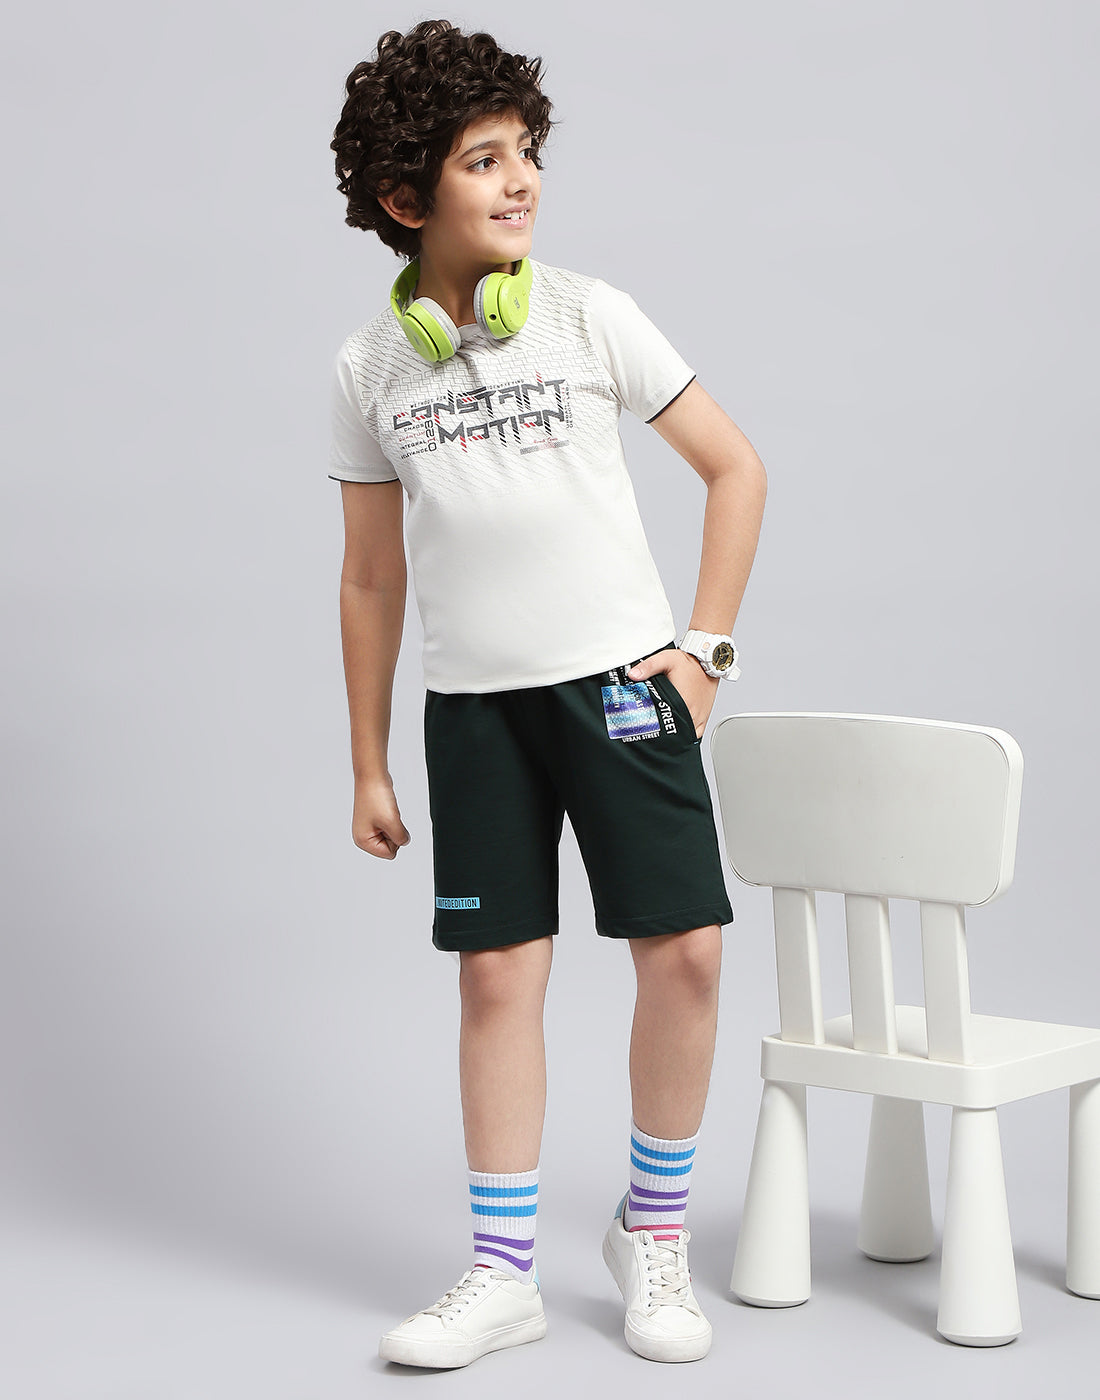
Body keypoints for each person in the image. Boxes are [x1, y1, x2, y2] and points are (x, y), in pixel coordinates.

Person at [328, 18, 767, 1370]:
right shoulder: (368, 369)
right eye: (483, 160)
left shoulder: (587, 314)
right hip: (476, 714)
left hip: (622, 695)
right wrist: (368, 762)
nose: (520, 179)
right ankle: (502, 1273)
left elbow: (736, 468)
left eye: (526, 151)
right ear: (407, 199)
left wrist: (705, 652)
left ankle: (654, 1232)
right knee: (496, 981)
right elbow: (370, 580)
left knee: (686, 953)